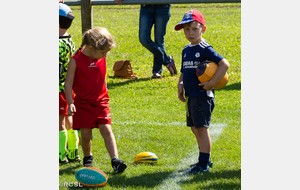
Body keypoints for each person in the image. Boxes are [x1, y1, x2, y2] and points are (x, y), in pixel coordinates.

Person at [64, 27, 127, 173]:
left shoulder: (101, 57)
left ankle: (115, 160)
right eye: (103, 52)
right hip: (82, 103)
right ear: (91, 48)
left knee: (106, 129)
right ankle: (88, 158)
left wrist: (106, 92)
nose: (105, 55)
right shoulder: (76, 60)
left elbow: (102, 75)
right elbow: (68, 83)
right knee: (85, 134)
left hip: (100, 102)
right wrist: (70, 103)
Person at [175, 10, 230, 174]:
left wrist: (212, 83)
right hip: (191, 95)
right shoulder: (186, 49)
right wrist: (180, 85)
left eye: (194, 29)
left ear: (203, 29)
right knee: (194, 128)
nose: (190, 33)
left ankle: (203, 164)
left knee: (201, 129)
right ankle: (204, 159)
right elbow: (184, 70)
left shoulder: (205, 48)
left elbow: (224, 64)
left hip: (202, 96)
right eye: (186, 29)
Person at [114, 0, 177, 78]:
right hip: (146, 6)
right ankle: (167, 60)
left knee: (159, 40)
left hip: (163, 6)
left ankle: (157, 71)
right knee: (143, 39)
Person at [59, 3, 80, 165]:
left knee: (59, 123)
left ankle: (60, 155)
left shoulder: (57, 45)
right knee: (69, 122)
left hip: (58, 90)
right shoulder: (70, 41)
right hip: (69, 89)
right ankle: (73, 153)